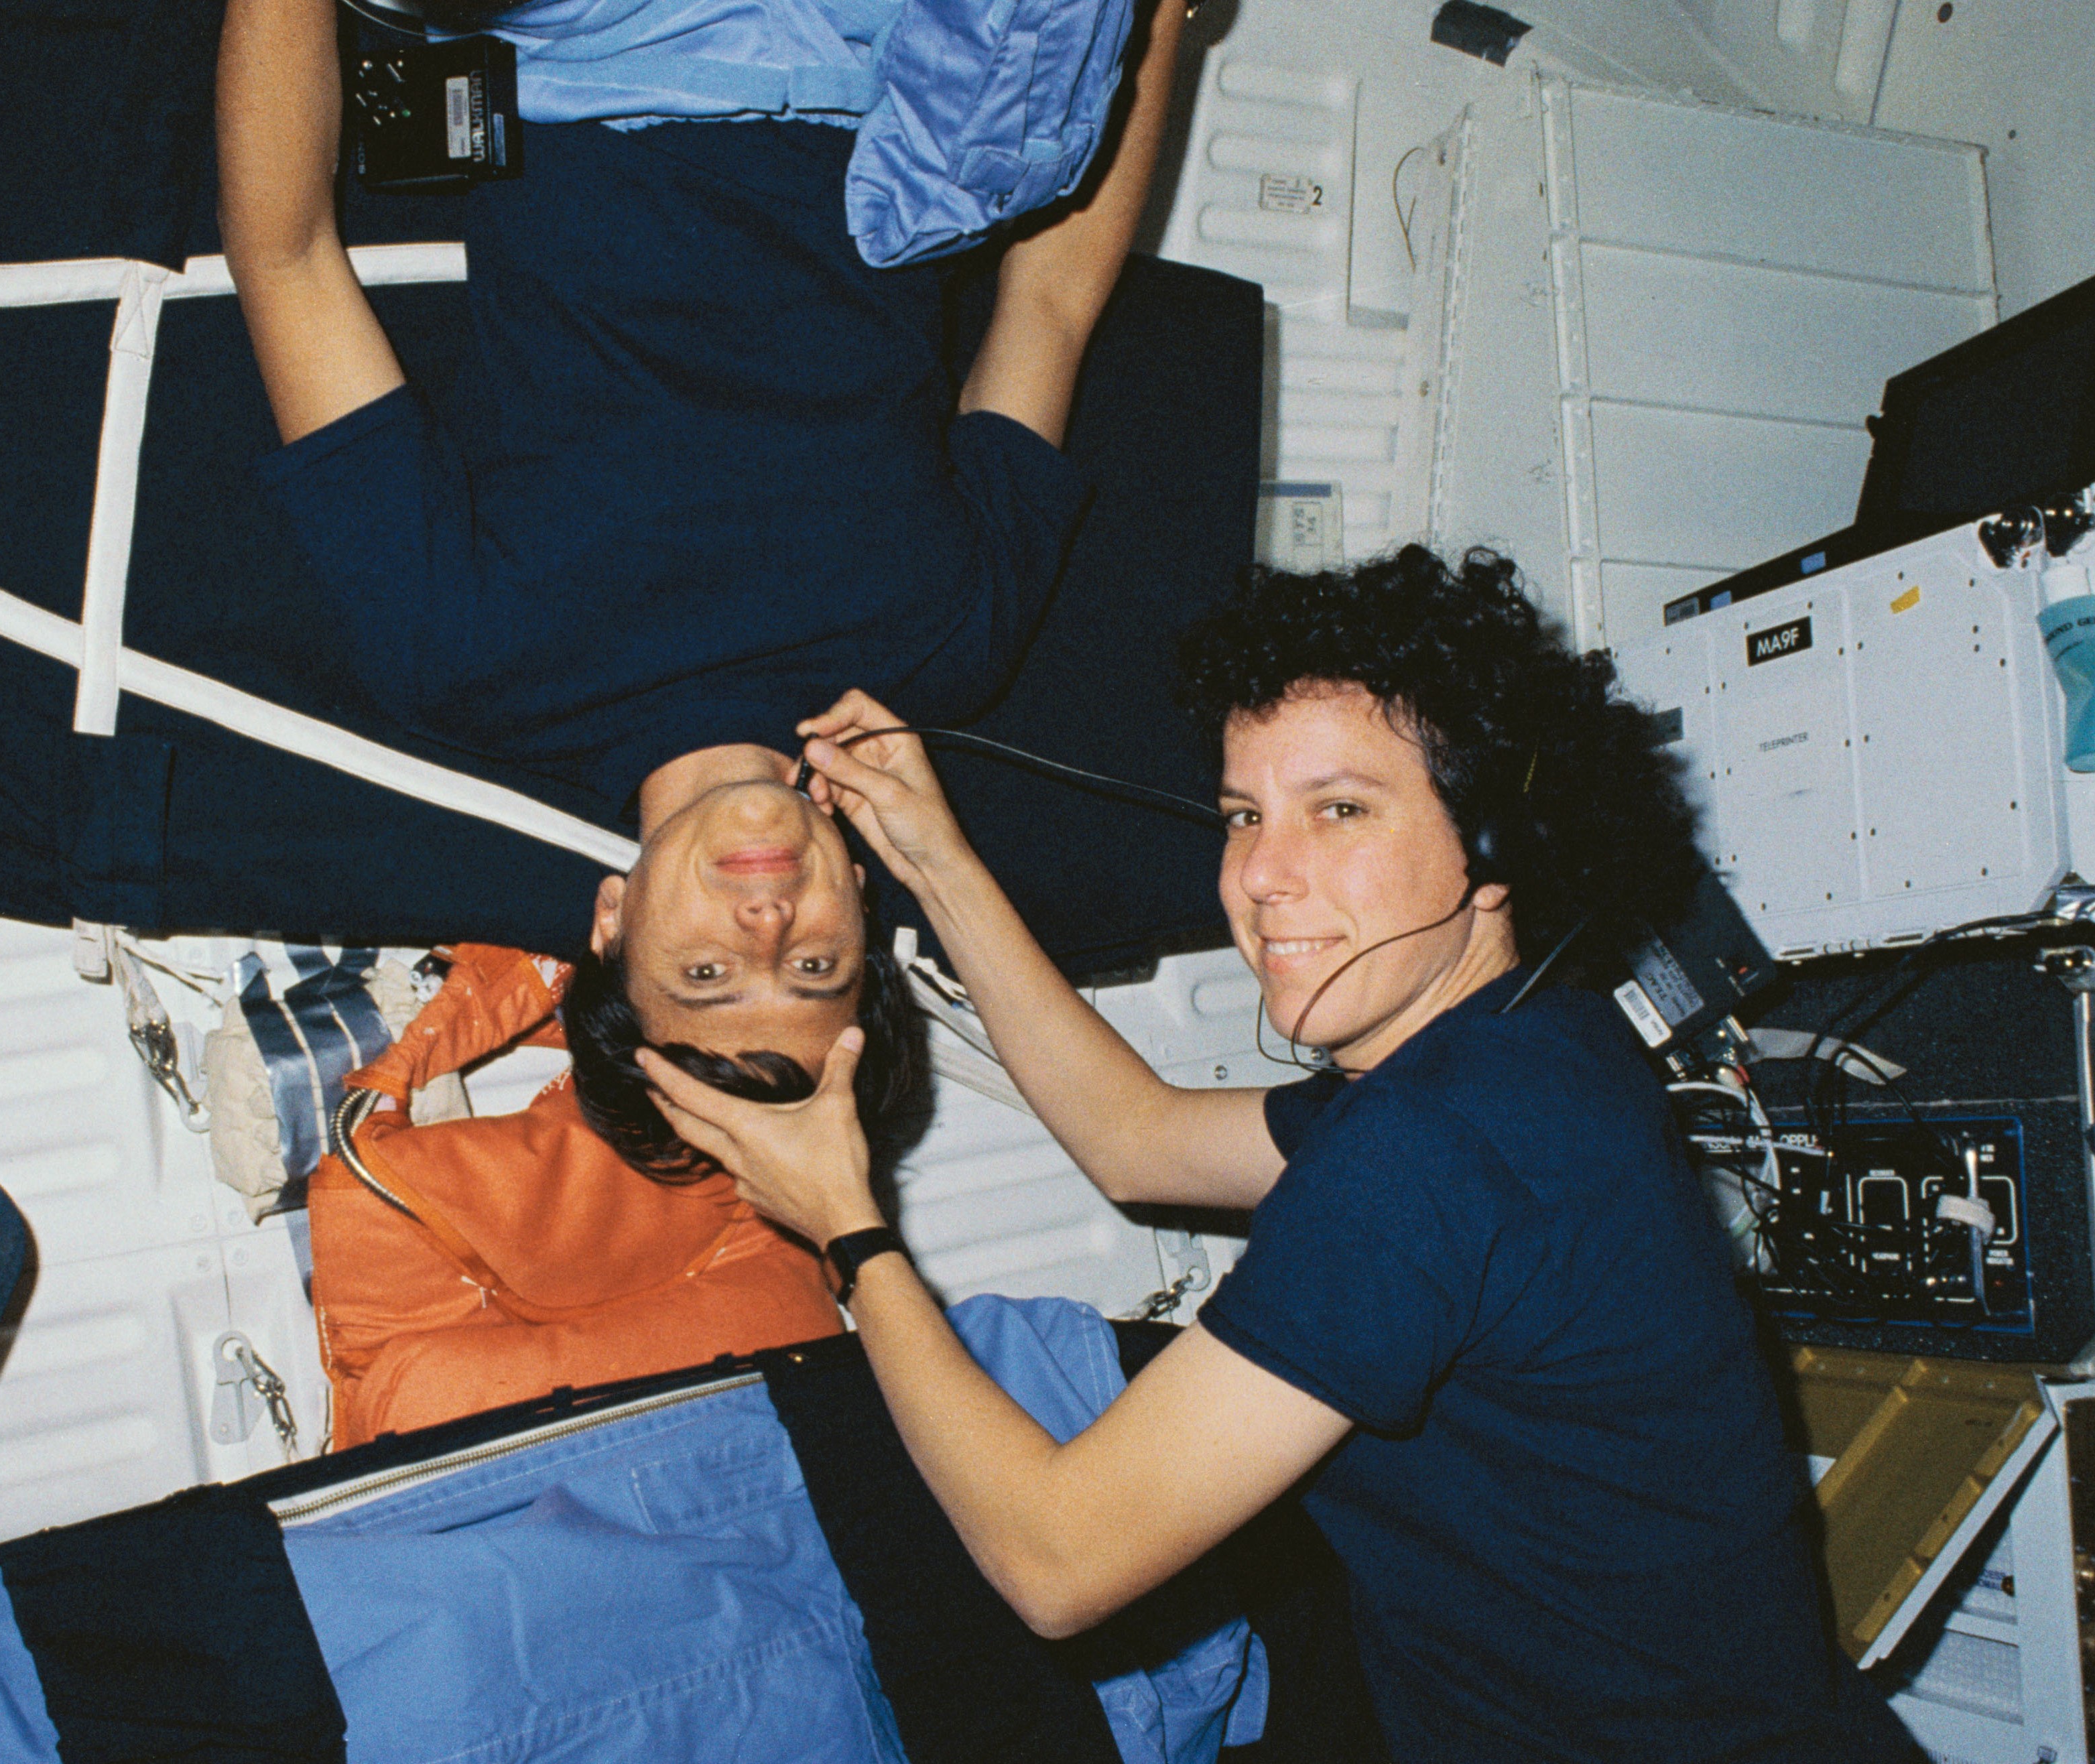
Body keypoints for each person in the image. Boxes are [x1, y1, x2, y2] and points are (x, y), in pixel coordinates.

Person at [637, 546, 1929, 1762]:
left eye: (1341, 810)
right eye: (1245, 815)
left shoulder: (1429, 1152)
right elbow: (1137, 1142)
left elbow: (1057, 1564)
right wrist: (934, 853)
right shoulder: (1524, 1050)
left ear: (1495, 845)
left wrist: (848, 1229)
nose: (1262, 876)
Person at [214, 0, 1180, 1149]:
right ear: (866, 909)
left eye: (712, 971)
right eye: (816, 965)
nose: (769, 921)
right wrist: (1159, 20)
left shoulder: (471, 662)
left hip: (594, 50)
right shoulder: (944, 651)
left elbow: (286, 262)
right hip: (903, 88)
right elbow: (1053, 301)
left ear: (613, 923)